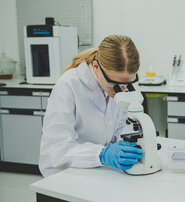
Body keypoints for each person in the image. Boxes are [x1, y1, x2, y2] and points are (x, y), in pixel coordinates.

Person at [39, 35, 143, 177]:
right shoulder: (69, 85)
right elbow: (56, 150)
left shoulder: (118, 83)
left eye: (128, 83)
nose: (122, 90)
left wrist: (129, 143)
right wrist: (102, 154)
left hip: (102, 172)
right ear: (96, 67)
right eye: (115, 84)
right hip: (67, 173)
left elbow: (120, 126)